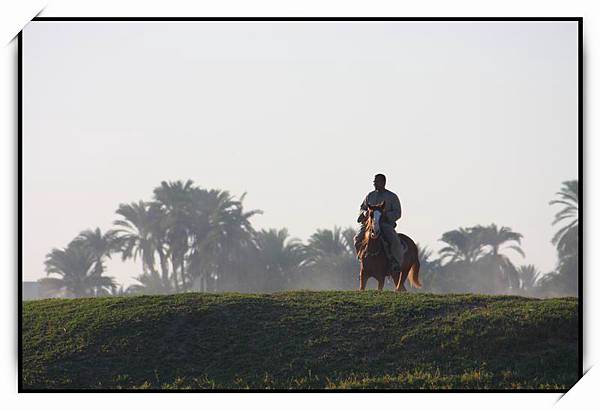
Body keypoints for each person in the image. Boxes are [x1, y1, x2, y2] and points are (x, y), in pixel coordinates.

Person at [353, 173, 404, 270]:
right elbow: (362, 208)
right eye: (374, 182)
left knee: (395, 241)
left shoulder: (392, 197)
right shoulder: (370, 195)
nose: (375, 184)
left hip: (385, 224)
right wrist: (364, 214)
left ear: (383, 182)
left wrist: (386, 216)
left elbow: (398, 212)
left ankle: (396, 262)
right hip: (369, 224)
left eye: (377, 182)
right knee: (357, 239)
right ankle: (361, 259)